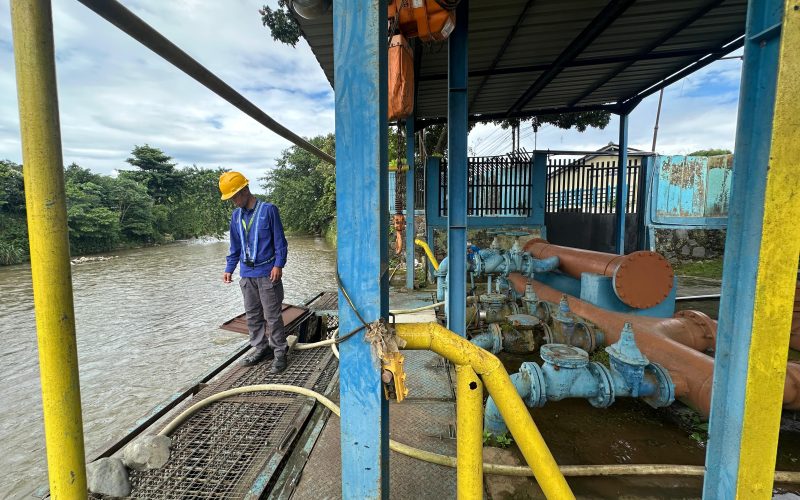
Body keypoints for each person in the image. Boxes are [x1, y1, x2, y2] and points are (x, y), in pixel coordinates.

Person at [219, 171, 289, 372]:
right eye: (231, 198)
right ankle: (261, 348)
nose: (233, 201)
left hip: (268, 273)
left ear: (245, 190)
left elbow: (280, 243)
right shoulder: (236, 216)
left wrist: (278, 265)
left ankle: (279, 353)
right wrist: (229, 268)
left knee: (272, 315)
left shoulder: (269, 210)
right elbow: (235, 246)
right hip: (247, 274)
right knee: (252, 315)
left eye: (234, 197)